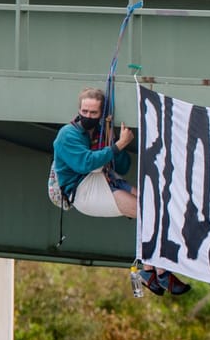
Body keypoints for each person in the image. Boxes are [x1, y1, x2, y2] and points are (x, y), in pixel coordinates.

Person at [51, 87, 190, 297]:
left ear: (101, 114)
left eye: (93, 113)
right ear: (79, 110)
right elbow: (85, 163)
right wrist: (117, 145)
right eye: (84, 111)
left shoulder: (101, 135)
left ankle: (151, 270)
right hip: (83, 190)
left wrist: (116, 145)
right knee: (146, 212)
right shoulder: (67, 135)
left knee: (155, 207)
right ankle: (159, 269)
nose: (87, 116)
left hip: (106, 180)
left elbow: (122, 166)